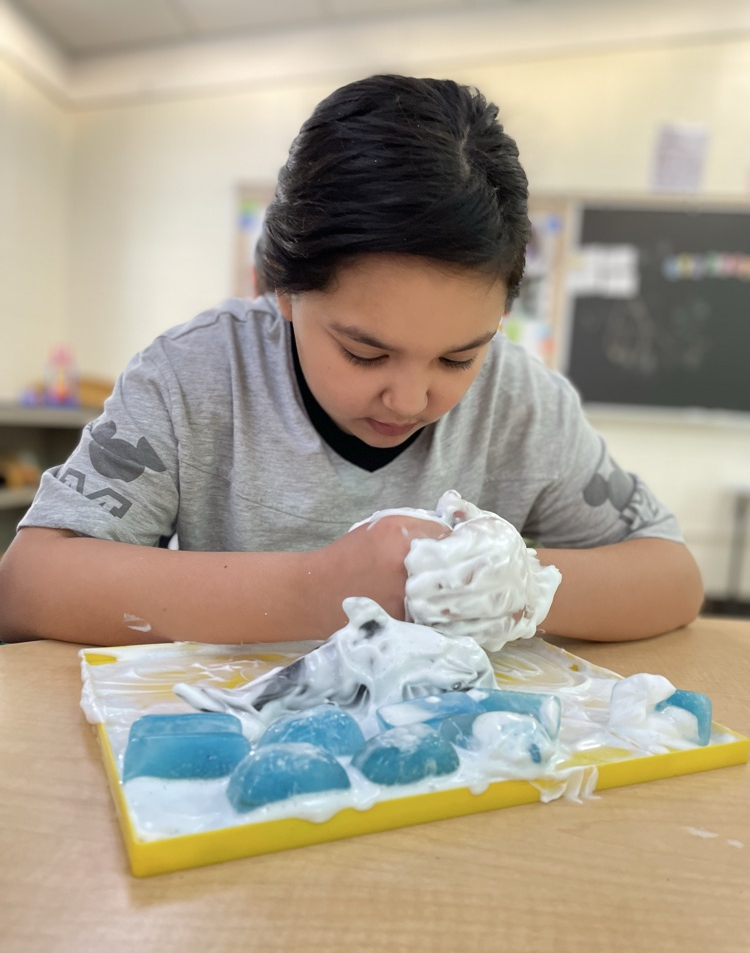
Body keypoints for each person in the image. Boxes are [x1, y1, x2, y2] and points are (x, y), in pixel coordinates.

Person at [0, 75, 703, 647]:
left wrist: (506, 583)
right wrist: (316, 589)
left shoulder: (522, 403)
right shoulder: (197, 377)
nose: (408, 398)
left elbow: (672, 577)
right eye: (365, 352)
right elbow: (29, 586)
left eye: (458, 357)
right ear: (276, 285)